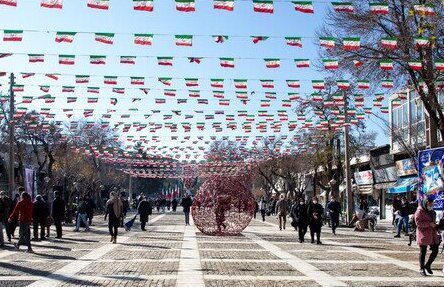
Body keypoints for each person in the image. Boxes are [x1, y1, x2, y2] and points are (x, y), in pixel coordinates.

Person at [415, 197, 439, 276]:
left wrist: (436, 225)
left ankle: (428, 265)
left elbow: (433, 221)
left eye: (431, 204)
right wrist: (429, 224)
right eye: (429, 204)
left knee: (435, 250)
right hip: (423, 234)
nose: (430, 206)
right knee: (423, 251)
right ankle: (421, 268)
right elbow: (418, 223)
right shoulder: (419, 211)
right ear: (425, 203)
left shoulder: (432, 211)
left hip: (432, 233)